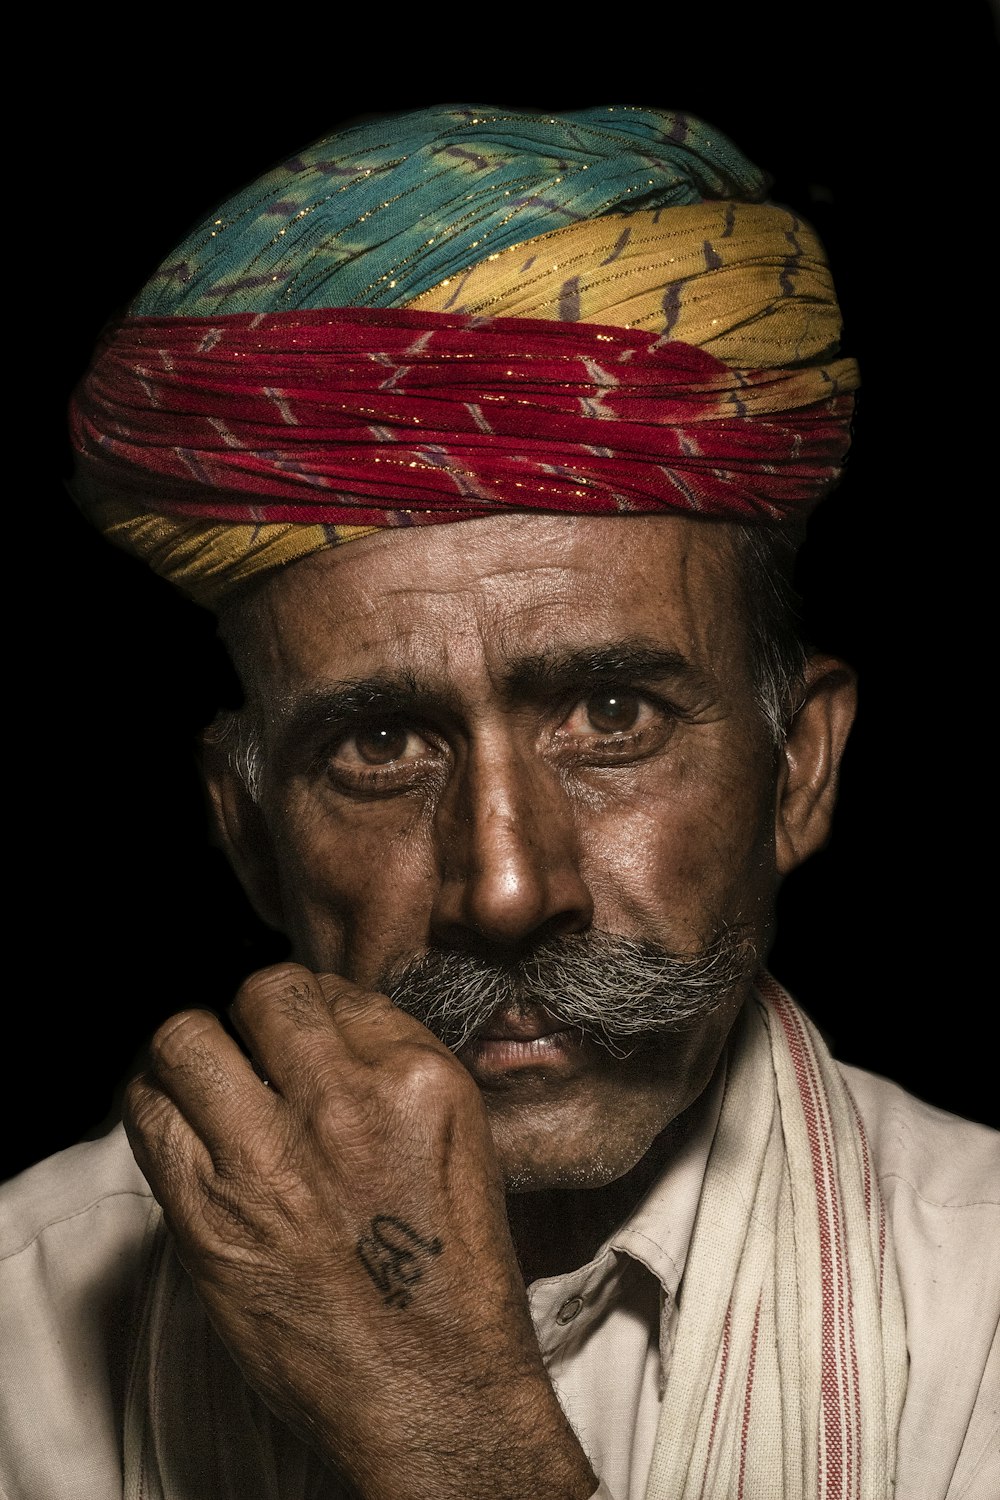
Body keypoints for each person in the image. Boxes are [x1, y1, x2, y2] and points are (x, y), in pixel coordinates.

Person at [2, 103, 997, 1500]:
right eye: (382, 745)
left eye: (611, 719)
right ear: (247, 835)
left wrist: (443, 1431)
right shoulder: (21, 1319)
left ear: (801, 768)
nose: (510, 887)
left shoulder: (986, 1304)